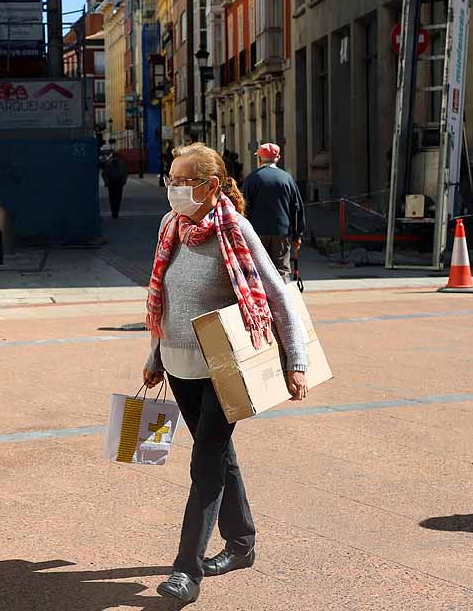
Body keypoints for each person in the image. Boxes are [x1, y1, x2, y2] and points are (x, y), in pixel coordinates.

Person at [142, 142, 309, 604]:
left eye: (182, 182)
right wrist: (155, 355)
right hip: (179, 366)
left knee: (206, 465)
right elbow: (164, 296)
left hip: (226, 368)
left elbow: (278, 295)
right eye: (170, 180)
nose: (173, 189)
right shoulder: (170, 226)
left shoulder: (235, 228)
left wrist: (296, 363)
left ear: (211, 186)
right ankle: (242, 543)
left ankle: (185, 572)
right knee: (218, 455)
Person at [241, 142, 306, 280]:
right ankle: (282, 299)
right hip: (281, 231)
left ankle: (262, 300)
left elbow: (243, 208)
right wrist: (297, 234)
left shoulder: (251, 179)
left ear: (259, 158)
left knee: (258, 270)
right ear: (278, 158)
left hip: (256, 233)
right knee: (281, 270)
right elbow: (297, 208)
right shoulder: (287, 178)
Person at [103, 152, 128, 220]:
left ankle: (114, 211)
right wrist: (124, 181)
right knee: (118, 198)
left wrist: (106, 182)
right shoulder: (122, 163)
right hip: (119, 183)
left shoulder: (108, 164)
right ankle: (116, 211)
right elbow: (125, 173)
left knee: (112, 198)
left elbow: (104, 173)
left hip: (111, 183)